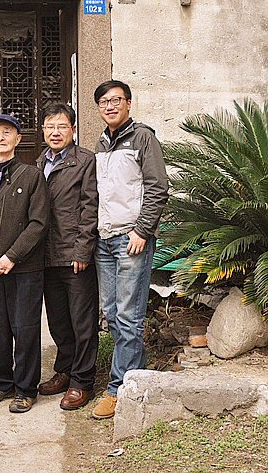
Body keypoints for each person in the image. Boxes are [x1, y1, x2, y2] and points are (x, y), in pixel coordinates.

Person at [91, 81, 168, 420]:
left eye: (116, 100)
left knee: (128, 315)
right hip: (104, 239)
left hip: (131, 239)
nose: (110, 106)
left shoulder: (143, 138)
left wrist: (142, 230)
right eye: (103, 102)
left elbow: (158, 187)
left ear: (128, 103)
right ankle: (137, 374)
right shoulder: (101, 143)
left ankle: (117, 388)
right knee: (112, 312)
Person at [0, 114, 50, 413]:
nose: (0, 137)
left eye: (6, 132)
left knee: (25, 329)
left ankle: (26, 388)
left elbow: (38, 223)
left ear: (18, 139)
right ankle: (1, 382)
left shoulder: (32, 176)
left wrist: (11, 256)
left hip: (24, 268)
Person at [36, 103, 99, 410]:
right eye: (50, 126)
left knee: (82, 322)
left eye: (62, 126)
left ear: (73, 129)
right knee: (58, 320)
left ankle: (82, 381)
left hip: (74, 254)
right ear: (43, 130)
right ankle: (64, 370)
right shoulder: (39, 162)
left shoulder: (85, 160)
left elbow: (90, 207)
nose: (55, 132)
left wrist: (83, 249)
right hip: (46, 255)